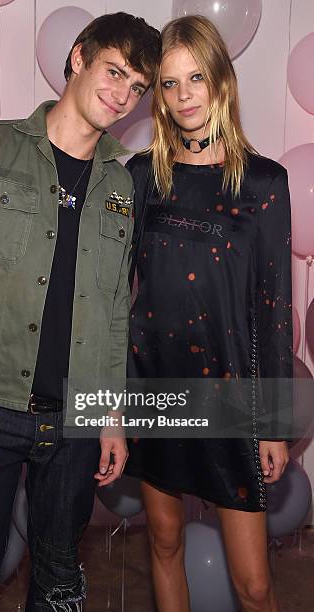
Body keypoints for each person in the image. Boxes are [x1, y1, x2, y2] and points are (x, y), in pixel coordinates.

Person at [0, 12, 160, 611]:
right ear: (79, 58)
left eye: (136, 88)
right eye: (114, 72)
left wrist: (110, 415)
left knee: (58, 588)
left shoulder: (119, 183)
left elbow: (115, 309)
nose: (122, 96)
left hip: (77, 424)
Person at [126, 15, 292, 612]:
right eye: (168, 84)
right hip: (155, 387)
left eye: (195, 77)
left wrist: (273, 422)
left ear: (221, 79)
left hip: (229, 399)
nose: (184, 95)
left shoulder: (266, 183)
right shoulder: (142, 177)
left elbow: (275, 309)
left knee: (254, 585)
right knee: (164, 545)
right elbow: (118, 298)